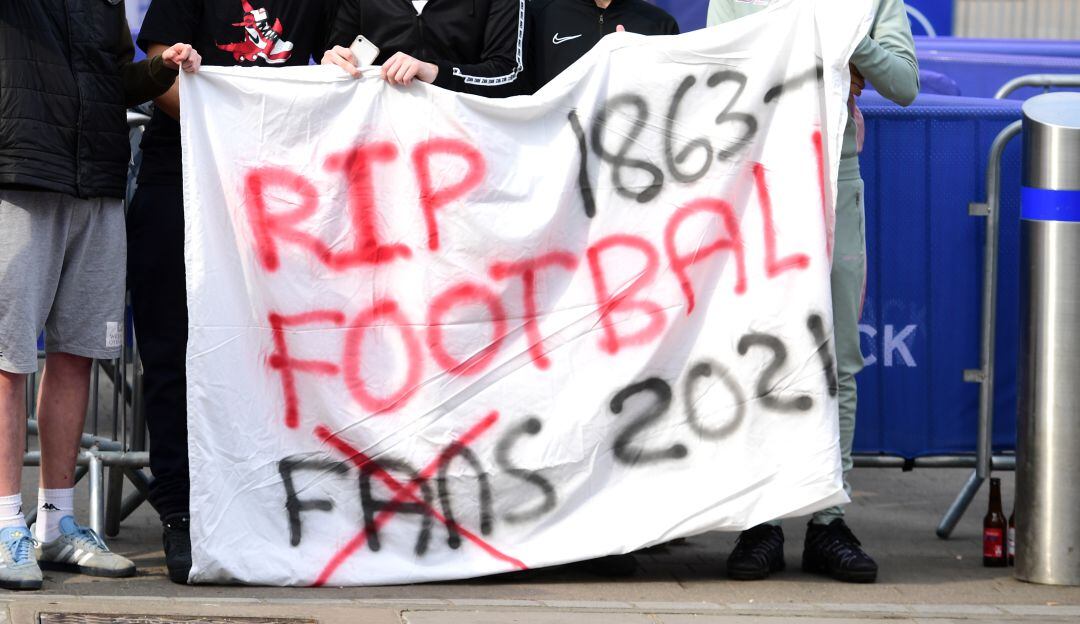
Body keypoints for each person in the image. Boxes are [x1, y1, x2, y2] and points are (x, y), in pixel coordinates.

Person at [707, 0, 919, 583]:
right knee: (760, 350)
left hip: (835, 175)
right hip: (759, 177)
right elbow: (715, 73)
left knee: (838, 357)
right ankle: (763, 520)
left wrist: (851, 43)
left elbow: (905, 86)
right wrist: (804, 49)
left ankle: (828, 520)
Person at [130, 0, 340, 585]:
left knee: (281, 352)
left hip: (280, 190)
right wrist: (230, 125)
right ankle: (181, 511)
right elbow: (158, 69)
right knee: (174, 351)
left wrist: (343, 66)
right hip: (183, 176)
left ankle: (271, 505)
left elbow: (348, 50)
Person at [0, 0, 200, 591]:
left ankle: (57, 520)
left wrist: (161, 70)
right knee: (8, 359)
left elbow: (115, 80)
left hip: (99, 178)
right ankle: (6, 521)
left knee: (79, 353)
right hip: (21, 170)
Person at [321, 0, 524, 95]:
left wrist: (435, 72)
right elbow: (337, 60)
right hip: (381, 139)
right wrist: (333, 66)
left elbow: (510, 76)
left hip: (464, 139)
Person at [520, 0, 679, 93]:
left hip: (630, 136)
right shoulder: (538, 14)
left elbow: (668, 94)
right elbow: (522, 95)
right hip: (559, 136)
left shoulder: (660, 24)